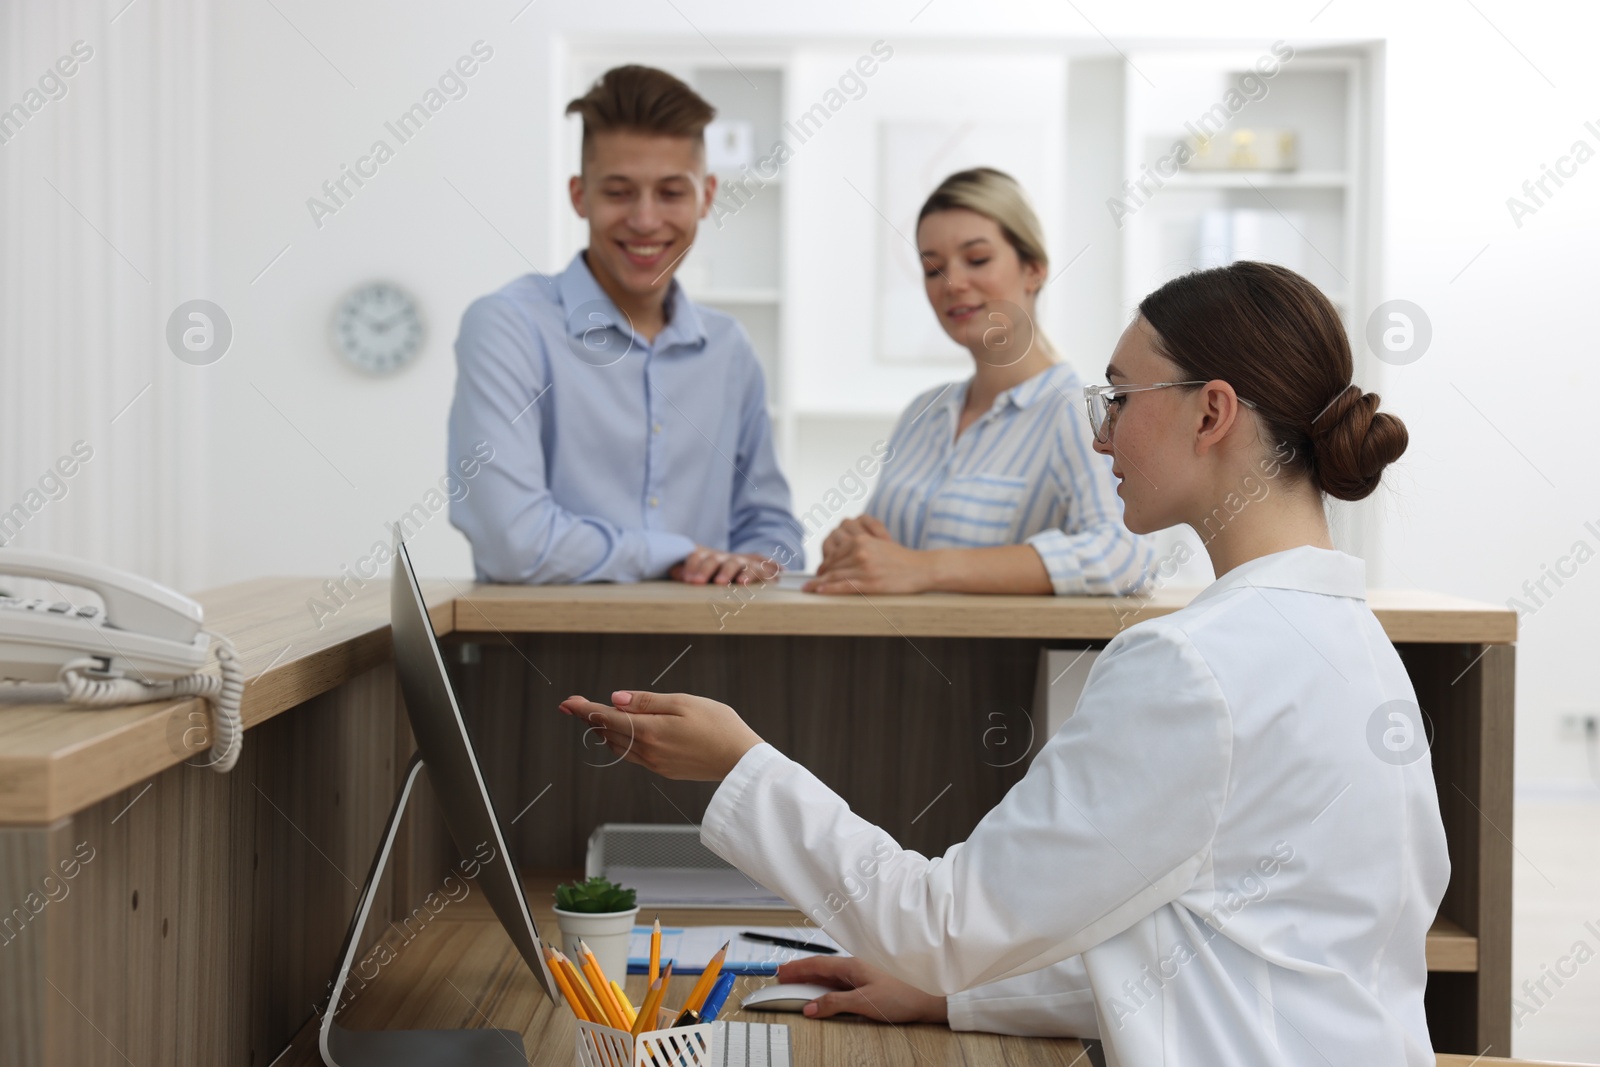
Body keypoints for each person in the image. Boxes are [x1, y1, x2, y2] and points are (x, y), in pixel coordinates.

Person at [559, 262, 1449, 1065]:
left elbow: (940, 922)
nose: (1102, 437)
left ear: (1210, 412)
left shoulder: (1193, 668)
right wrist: (959, 996)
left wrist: (737, 762)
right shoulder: (1354, 646)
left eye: (1119, 400)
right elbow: (1234, 951)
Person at [447, 65, 803, 586]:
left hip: (712, 656)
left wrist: (747, 564)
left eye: (671, 193)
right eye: (618, 192)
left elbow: (772, 530)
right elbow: (513, 542)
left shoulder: (729, 349)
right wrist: (680, 555)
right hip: (538, 659)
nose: (644, 219)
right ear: (579, 196)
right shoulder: (508, 327)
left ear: (706, 196)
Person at [806, 167, 1152, 595]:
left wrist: (928, 569)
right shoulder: (923, 412)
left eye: (977, 259)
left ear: (1034, 270)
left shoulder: (1075, 416)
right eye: (933, 269)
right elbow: (890, 565)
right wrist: (855, 547)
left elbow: (1124, 557)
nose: (953, 283)